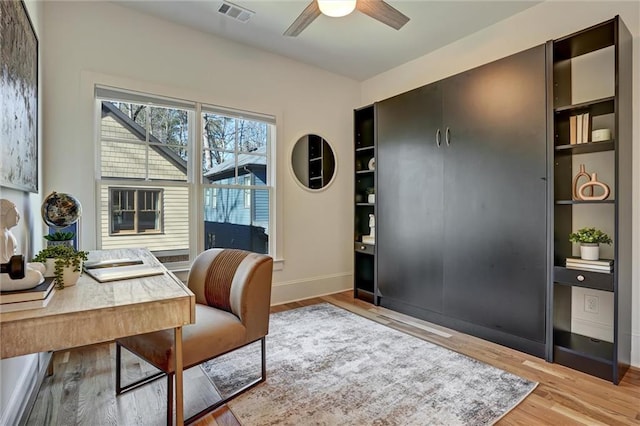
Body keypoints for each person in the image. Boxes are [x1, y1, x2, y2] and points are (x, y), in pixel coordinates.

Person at [0, 199, 45, 291]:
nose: (18, 218)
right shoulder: (1, 235)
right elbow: (3, 265)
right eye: (15, 215)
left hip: (12, 267)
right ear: (4, 215)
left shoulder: (7, 231)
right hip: (4, 272)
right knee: (36, 276)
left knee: (40, 266)